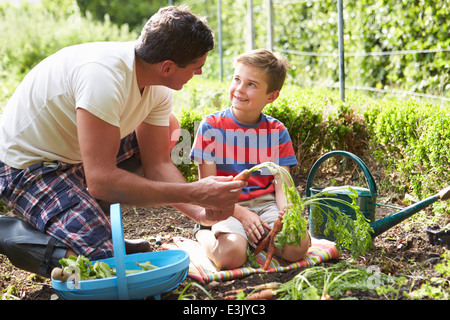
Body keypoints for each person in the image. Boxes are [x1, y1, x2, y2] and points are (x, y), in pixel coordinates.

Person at [0, 5, 245, 267]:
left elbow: (158, 164)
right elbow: (102, 181)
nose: (199, 73)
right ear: (168, 67)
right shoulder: (103, 79)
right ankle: (11, 233)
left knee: (169, 126)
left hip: (76, 154)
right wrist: (194, 192)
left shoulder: (156, 84)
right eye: (197, 67)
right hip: (28, 166)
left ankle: (90, 222)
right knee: (101, 265)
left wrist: (200, 211)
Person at [190, 49, 311, 269]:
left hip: (267, 205)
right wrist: (241, 213)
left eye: (251, 84)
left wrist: (286, 214)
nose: (239, 89)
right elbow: (207, 189)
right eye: (237, 79)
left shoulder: (277, 131)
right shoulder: (211, 127)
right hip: (226, 205)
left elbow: (282, 185)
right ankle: (203, 233)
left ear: (271, 96)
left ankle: (260, 238)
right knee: (231, 256)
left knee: (297, 248)